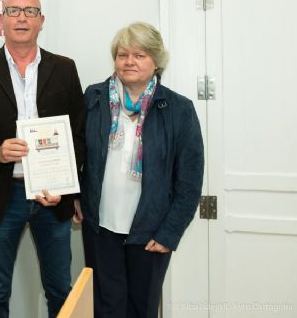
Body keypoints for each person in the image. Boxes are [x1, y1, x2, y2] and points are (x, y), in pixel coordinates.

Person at [0, 0, 85, 318]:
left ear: (42, 21)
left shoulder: (65, 69)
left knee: (60, 289)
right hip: (3, 194)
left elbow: (79, 135)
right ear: (1, 20)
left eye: (30, 11)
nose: (22, 17)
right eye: (13, 11)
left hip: (52, 197)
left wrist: (67, 185)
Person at [79, 22, 204, 317]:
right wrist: (74, 194)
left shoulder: (178, 109)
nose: (129, 62)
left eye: (139, 55)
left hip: (151, 232)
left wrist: (170, 232)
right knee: (105, 308)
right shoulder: (94, 97)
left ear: (156, 61)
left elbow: (189, 180)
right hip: (101, 227)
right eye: (123, 55)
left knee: (141, 308)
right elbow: (76, 151)